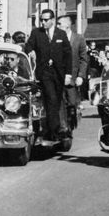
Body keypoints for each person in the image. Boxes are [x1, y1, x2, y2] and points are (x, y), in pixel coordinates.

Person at [24, 9, 72, 142]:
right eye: (41, 20)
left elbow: (68, 55)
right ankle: (54, 130)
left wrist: (68, 74)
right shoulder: (36, 33)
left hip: (59, 73)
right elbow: (27, 46)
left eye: (46, 20)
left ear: (52, 20)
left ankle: (56, 128)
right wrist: (31, 51)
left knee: (56, 101)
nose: (43, 22)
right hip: (44, 73)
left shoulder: (61, 34)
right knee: (51, 98)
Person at [56, 15, 88, 137]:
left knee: (71, 104)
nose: (57, 26)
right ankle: (63, 129)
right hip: (59, 78)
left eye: (59, 24)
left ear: (67, 25)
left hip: (73, 79)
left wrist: (81, 76)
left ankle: (71, 121)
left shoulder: (79, 39)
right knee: (59, 103)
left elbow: (84, 59)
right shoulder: (56, 38)